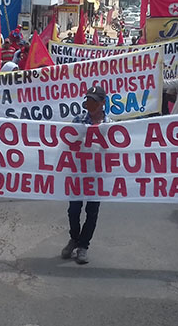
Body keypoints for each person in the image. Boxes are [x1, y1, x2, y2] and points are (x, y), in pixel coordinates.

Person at [62, 85, 110, 265]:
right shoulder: (78, 119)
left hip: (97, 174)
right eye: (88, 100)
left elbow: (113, 149)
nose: (90, 104)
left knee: (92, 211)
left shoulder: (110, 124)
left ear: (102, 103)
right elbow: (68, 142)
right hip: (78, 171)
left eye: (94, 101)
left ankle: (83, 246)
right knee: (73, 210)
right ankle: (74, 238)